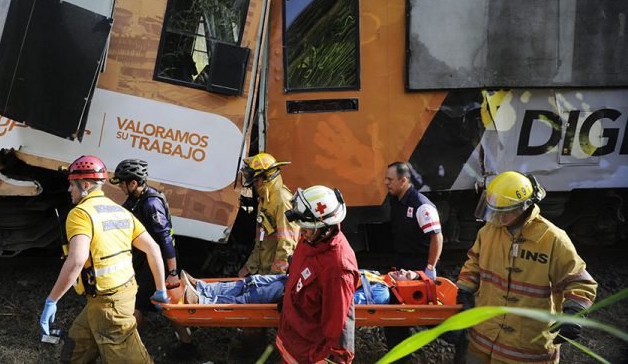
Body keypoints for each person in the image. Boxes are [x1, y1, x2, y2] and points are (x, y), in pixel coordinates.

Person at [457, 171, 597, 363]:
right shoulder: (488, 232)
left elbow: (580, 282)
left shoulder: (552, 239)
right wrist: (464, 291)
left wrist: (573, 313)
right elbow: (473, 264)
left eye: (502, 212)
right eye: (493, 210)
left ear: (522, 207)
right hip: (483, 338)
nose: (496, 217)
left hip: (527, 348)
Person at [39, 155, 168, 363]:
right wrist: (160, 289)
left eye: (72, 185)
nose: (69, 190)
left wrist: (52, 300)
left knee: (125, 354)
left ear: (86, 185)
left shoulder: (80, 214)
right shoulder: (120, 211)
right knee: (79, 340)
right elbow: (153, 248)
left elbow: (76, 260)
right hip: (120, 293)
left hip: (109, 303)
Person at [110, 158, 195, 358]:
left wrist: (172, 273)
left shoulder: (151, 204)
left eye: (123, 182)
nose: (121, 186)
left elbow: (166, 239)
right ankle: (187, 344)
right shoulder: (136, 197)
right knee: (169, 307)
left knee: (137, 306)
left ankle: (128, 351)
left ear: (133, 183)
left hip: (156, 264)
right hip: (144, 261)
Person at [276, 185, 359, 364]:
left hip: (310, 355)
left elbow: (338, 324)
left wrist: (334, 358)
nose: (301, 231)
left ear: (325, 228)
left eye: (305, 228)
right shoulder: (311, 240)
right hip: (294, 342)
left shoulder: (338, 268)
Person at [384, 161, 444, 352]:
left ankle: (459, 337)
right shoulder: (397, 200)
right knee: (397, 315)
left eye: (390, 179)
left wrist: (430, 268)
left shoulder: (421, 206)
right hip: (404, 263)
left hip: (419, 267)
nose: (386, 183)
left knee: (427, 314)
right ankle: (400, 355)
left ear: (403, 180)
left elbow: (437, 236)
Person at [179, 269, 426, 305]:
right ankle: (203, 288)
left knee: (258, 294)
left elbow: (347, 305)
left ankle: (204, 301)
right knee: (254, 281)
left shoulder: (381, 291)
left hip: (311, 293)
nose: (401, 271)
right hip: (310, 282)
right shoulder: (380, 279)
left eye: (407, 274)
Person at [238, 152, 300, 277]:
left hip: (274, 275)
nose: (254, 185)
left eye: (256, 180)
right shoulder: (265, 199)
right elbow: (261, 241)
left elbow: (287, 245)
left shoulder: (282, 201)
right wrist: (249, 267)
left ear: (267, 177)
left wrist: (275, 277)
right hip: (264, 273)